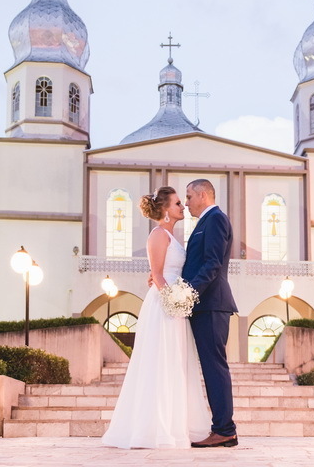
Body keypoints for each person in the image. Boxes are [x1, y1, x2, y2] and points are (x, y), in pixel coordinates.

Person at [101, 186, 211, 449]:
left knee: (176, 363)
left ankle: (176, 424)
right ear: (165, 210)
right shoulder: (158, 235)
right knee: (160, 362)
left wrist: (180, 301)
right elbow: (158, 274)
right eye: (177, 203)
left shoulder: (172, 236)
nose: (182, 207)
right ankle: (153, 429)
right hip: (164, 305)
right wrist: (172, 301)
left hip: (176, 303)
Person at [182, 179, 239, 448]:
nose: (186, 203)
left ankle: (224, 429)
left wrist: (189, 293)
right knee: (211, 367)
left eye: (189, 196)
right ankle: (223, 428)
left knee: (215, 367)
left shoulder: (215, 219)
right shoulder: (205, 222)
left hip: (211, 304)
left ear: (203, 195)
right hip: (203, 305)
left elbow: (213, 264)